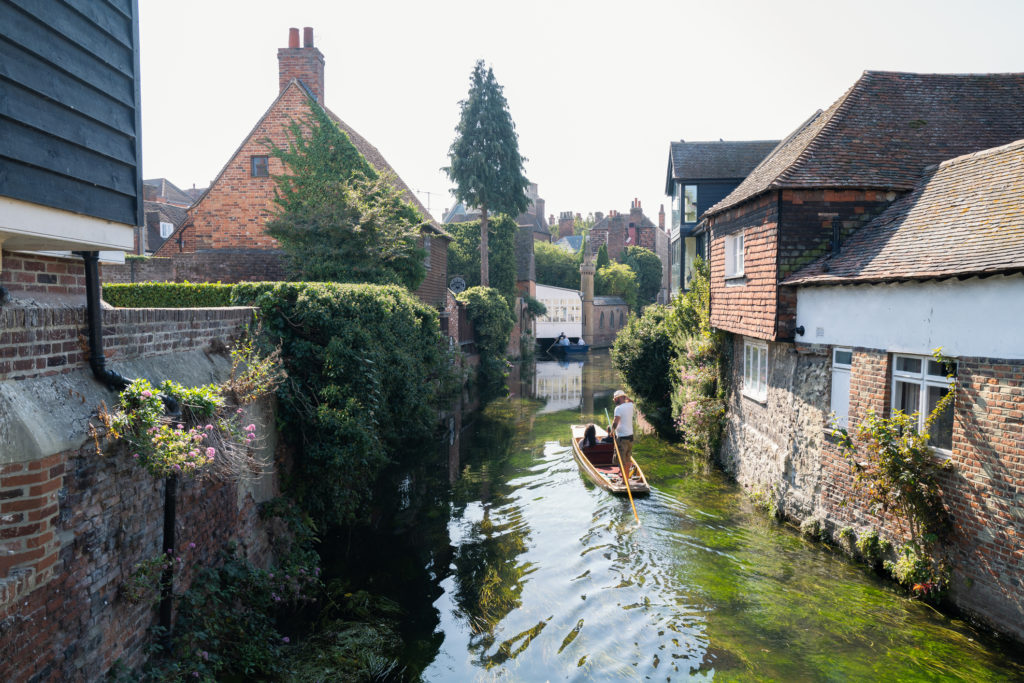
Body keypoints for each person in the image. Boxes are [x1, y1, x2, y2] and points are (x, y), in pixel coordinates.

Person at [610, 389, 634, 477]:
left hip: (622, 438)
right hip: (630, 437)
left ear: (618, 398)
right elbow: (632, 401)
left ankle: (624, 480)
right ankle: (626, 478)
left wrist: (612, 431)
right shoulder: (630, 405)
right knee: (627, 459)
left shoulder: (618, 408)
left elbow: (615, 422)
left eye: (615, 399)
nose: (615, 401)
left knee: (620, 460)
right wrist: (625, 397)